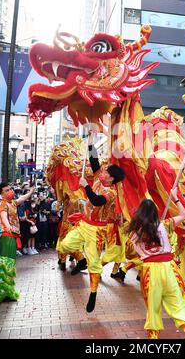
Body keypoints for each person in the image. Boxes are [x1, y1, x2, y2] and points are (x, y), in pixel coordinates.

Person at [58, 133, 126, 313]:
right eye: (102, 171)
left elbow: (96, 201)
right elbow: (94, 161)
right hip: (83, 224)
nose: (101, 172)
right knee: (64, 246)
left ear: (111, 179)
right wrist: (90, 144)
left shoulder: (111, 193)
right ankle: (81, 261)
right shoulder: (98, 178)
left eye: (105, 172)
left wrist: (85, 186)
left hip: (97, 231)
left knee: (95, 264)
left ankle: (93, 293)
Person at [127, 188, 185, 339]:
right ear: (155, 212)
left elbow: (130, 255)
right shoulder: (164, 225)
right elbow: (184, 215)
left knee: (153, 312)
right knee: (180, 309)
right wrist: (175, 198)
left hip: (149, 272)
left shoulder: (133, 233)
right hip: (169, 268)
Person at [0, 183, 34, 303]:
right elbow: (3, 216)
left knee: (9, 264)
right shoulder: (2, 205)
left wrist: (31, 192)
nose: (10, 191)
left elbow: (22, 198)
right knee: (5, 264)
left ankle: (7, 290)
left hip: (13, 237)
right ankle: (2, 292)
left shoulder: (12, 203)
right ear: (1, 194)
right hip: (7, 237)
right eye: (6, 190)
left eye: (10, 189)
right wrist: (8, 225)